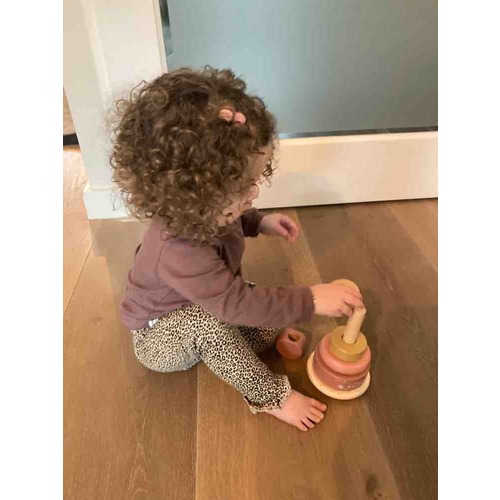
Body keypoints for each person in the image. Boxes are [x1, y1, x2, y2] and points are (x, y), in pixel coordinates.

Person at [111, 67, 364, 431]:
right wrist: (310, 300)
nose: (254, 193)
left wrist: (258, 222)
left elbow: (231, 226)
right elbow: (234, 303)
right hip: (158, 337)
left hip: (206, 302)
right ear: (193, 200)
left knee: (257, 312)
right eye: (244, 187)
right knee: (213, 323)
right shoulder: (179, 251)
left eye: (255, 180)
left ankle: (252, 341)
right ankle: (271, 396)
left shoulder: (205, 210)